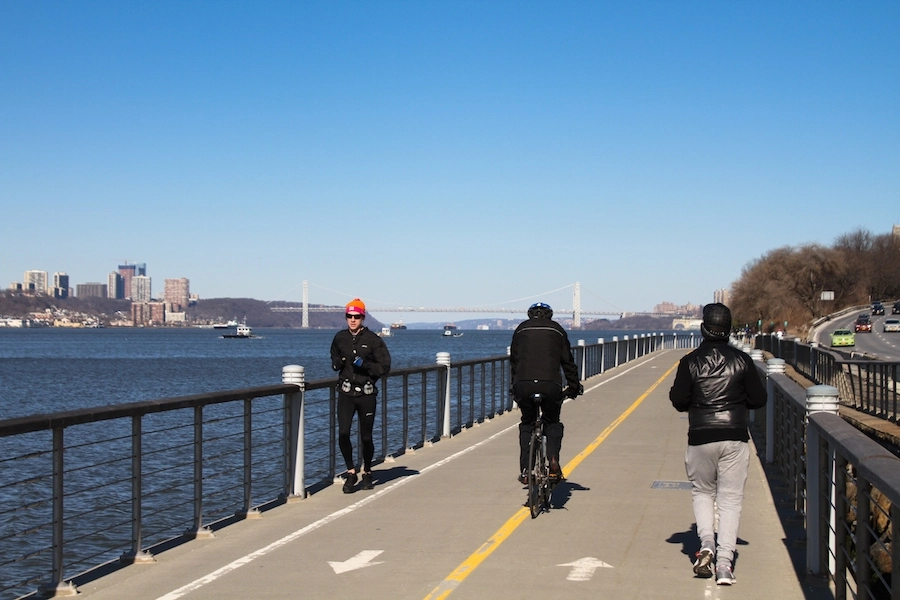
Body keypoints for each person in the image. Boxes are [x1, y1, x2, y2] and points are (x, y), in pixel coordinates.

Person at [669, 302, 766, 585]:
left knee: (702, 493)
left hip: (700, 435)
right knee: (731, 499)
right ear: (728, 331)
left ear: (702, 329)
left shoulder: (690, 361)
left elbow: (678, 401)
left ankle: (706, 545)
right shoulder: (742, 361)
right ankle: (725, 564)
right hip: (735, 435)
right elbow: (759, 400)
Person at [510, 302, 582, 487]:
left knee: (527, 423)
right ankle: (553, 460)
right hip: (550, 385)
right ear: (549, 315)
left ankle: (526, 469)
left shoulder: (520, 330)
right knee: (552, 422)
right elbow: (567, 362)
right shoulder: (557, 330)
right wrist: (573, 387)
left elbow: (515, 362)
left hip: (523, 384)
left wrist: (514, 386)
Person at [330, 298, 391, 493]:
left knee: (366, 437)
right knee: (343, 433)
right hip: (346, 393)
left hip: (366, 394)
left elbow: (385, 367)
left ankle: (367, 472)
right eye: (349, 316)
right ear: (346, 317)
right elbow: (334, 356)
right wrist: (337, 363)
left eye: (357, 316)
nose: (353, 320)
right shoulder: (340, 338)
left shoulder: (374, 340)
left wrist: (364, 365)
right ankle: (350, 471)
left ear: (362, 317)